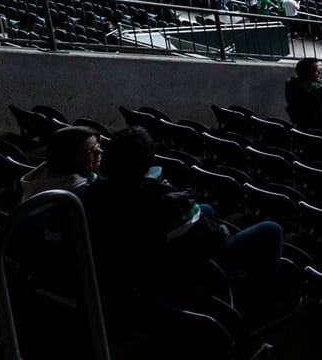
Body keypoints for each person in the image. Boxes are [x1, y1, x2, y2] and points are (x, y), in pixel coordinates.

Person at [83, 127, 284, 309]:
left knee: (207, 210)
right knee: (271, 229)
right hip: (169, 270)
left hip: (132, 262)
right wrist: (168, 193)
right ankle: (265, 300)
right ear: (148, 162)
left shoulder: (93, 192)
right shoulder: (166, 202)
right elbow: (215, 237)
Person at [21, 125, 102, 200]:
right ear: (68, 159)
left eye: (98, 146)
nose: (100, 151)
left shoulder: (45, 171)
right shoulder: (78, 193)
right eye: (89, 151)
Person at [285, 57, 322, 125]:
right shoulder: (312, 89)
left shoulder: (292, 81)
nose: (320, 72)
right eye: (316, 71)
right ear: (307, 74)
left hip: (297, 122)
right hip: (311, 123)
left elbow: (320, 82)